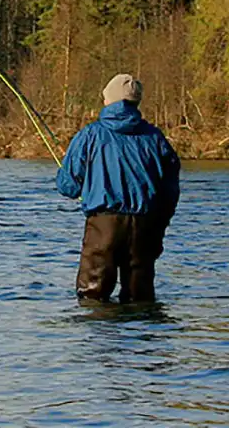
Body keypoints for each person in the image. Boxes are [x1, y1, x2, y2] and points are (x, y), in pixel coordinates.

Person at [56, 73, 182, 303]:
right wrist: (160, 222)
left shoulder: (90, 135)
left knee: (92, 296)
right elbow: (170, 189)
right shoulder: (155, 138)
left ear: (109, 101)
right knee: (140, 297)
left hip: (103, 225)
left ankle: (103, 327)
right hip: (145, 226)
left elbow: (68, 187)